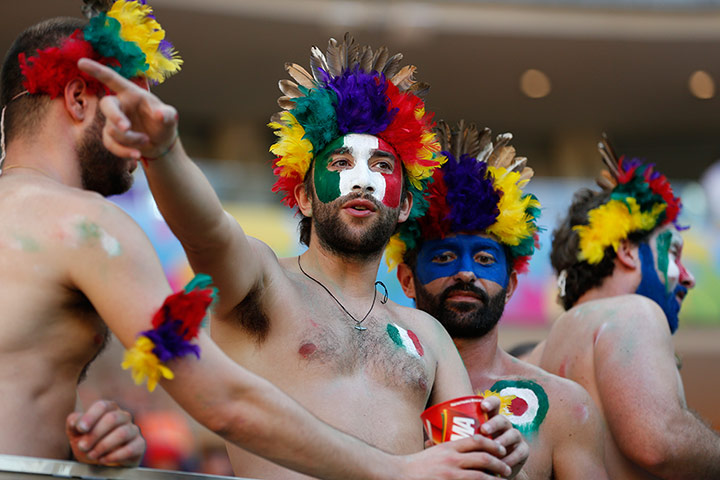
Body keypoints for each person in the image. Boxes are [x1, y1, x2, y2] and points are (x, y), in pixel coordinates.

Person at [1, 5, 519, 479]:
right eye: (340, 165)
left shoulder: (428, 336)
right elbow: (209, 233)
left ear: (404, 206)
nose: (361, 181)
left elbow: (470, 458)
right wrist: (165, 153)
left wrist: (502, 450)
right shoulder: (264, 282)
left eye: (382, 167)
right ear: (303, 196)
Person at [392, 120, 609, 479]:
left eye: (485, 259)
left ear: (510, 284)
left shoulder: (565, 406)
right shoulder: (372, 387)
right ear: (407, 280)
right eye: (444, 257)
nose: (466, 272)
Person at [529, 136, 720, 479]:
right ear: (627, 251)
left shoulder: (533, 356)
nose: (688, 278)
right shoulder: (634, 312)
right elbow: (660, 442)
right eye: (674, 253)